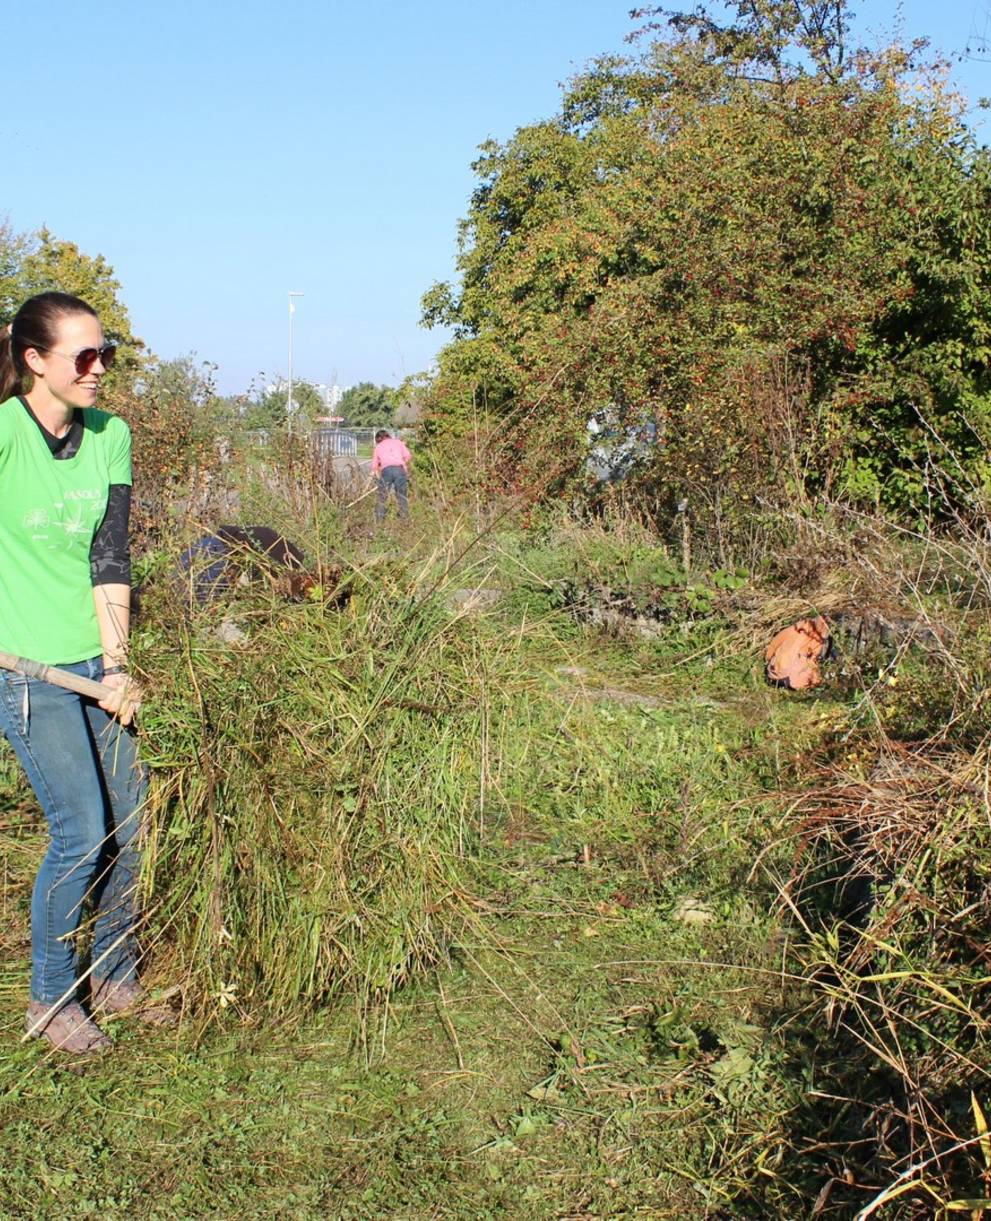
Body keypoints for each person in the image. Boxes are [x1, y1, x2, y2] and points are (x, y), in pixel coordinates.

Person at [0, 292, 166, 1055]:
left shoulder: (110, 436)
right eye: (83, 356)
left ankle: (114, 972)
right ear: (35, 361)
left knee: (136, 820)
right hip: (24, 670)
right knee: (81, 832)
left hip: (93, 663)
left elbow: (110, 557)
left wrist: (119, 666)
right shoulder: (3, 436)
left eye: (107, 354)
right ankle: (50, 997)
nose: (99, 370)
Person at [370, 429, 412, 524]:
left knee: (382, 497)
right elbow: (408, 456)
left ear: (378, 439)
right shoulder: (398, 442)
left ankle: (379, 522)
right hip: (400, 470)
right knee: (401, 496)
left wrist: (378, 473)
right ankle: (405, 521)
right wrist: (402, 463)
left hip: (386, 471)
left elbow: (374, 466)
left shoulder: (378, 447)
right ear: (388, 435)